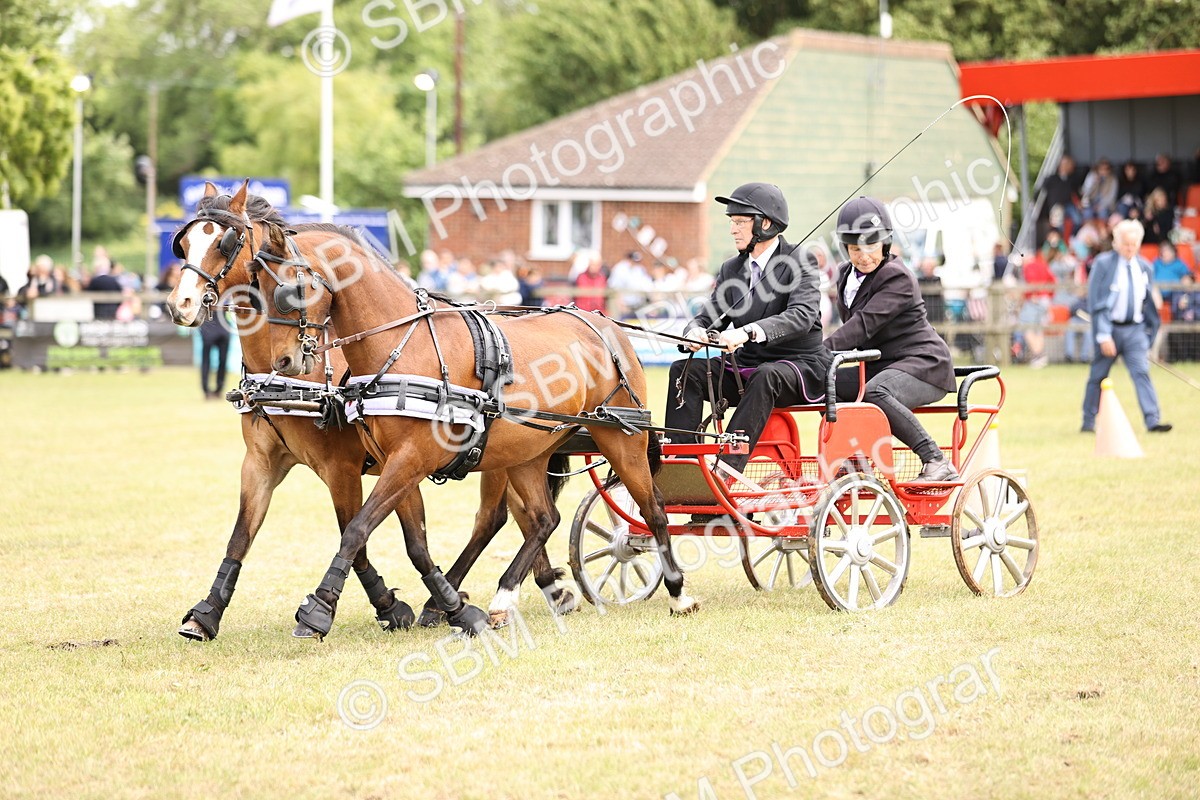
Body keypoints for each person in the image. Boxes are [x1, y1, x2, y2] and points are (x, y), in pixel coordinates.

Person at [665, 182, 829, 475]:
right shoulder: (731, 269)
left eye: (740, 222)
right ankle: (681, 465)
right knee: (683, 370)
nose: (733, 230)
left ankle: (725, 469)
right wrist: (694, 333)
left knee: (767, 375)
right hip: (746, 369)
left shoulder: (800, 260)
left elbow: (802, 316)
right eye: (732, 222)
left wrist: (747, 331)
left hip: (797, 367)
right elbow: (707, 317)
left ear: (765, 224)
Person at [824, 196, 959, 482]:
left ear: (885, 243)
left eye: (871, 246)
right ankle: (858, 458)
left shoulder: (896, 277)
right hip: (880, 366)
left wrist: (820, 352)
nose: (864, 256)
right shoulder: (846, 275)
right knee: (825, 384)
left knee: (875, 392)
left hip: (923, 364)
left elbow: (862, 326)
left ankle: (935, 459)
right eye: (855, 248)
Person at [1080, 219, 1172, 433]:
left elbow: (1148, 302)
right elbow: (1096, 302)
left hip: (1135, 330)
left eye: (1133, 244)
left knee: (1141, 372)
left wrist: (1148, 334)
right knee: (1098, 376)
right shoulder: (1103, 264)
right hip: (1109, 328)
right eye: (1125, 244)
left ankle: (1153, 420)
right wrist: (1103, 335)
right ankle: (1088, 422)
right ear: (1117, 242)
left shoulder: (1145, 267)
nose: (1129, 249)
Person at [199, 310, 231, 400]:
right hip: (212, 328)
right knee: (209, 361)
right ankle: (208, 390)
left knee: (221, 361)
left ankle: (217, 389)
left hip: (219, 328)